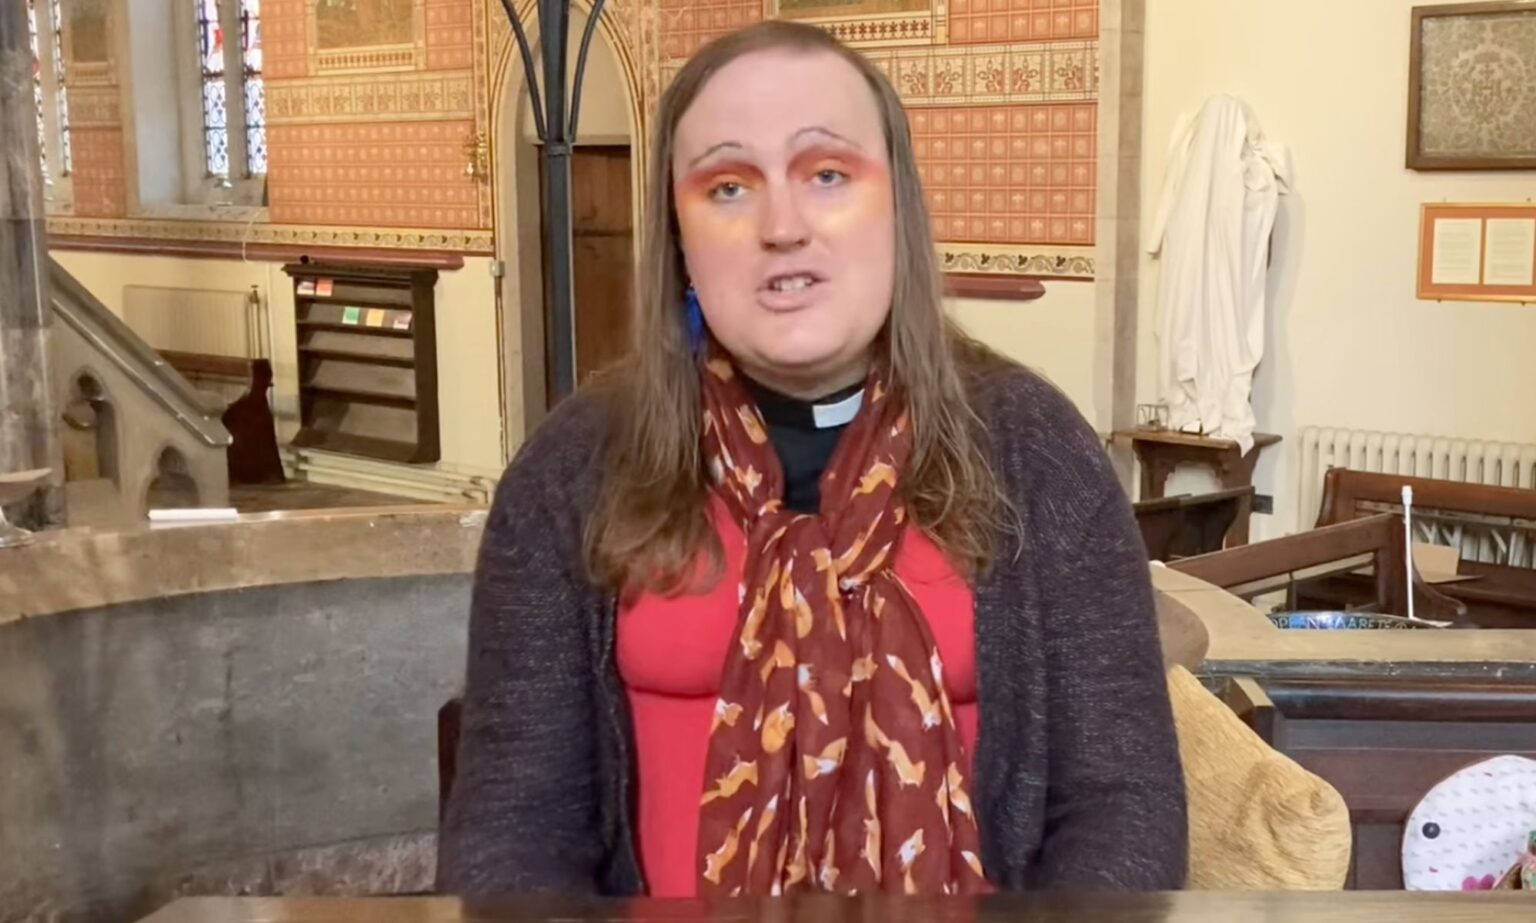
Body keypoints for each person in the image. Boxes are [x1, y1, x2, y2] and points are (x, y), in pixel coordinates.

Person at [437, 20, 1186, 898]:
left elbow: (1123, 805)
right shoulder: (572, 469)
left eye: (827, 174)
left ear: (897, 206)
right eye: (727, 186)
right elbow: (513, 830)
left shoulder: (1036, 451)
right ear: (679, 235)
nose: (781, 226)